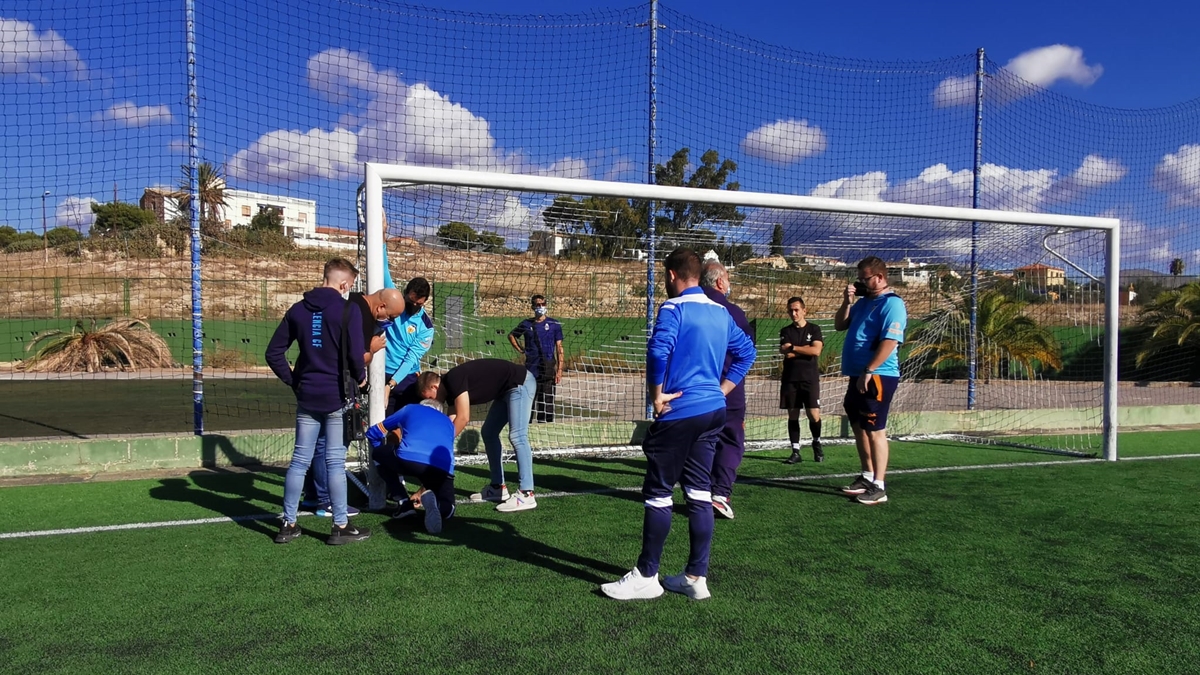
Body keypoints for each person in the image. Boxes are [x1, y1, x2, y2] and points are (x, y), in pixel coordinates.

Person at [601, 248, 756, 601]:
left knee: (658, 493)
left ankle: (646, 575)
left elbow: (658, 351)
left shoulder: (674, 307)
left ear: (671, 275)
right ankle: (695, 577)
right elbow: (748, 353)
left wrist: (656, 395)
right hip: (715, 410)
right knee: (700, 492)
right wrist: (722, 390)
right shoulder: (722, 311)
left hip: (681, 411)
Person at [265, 257, 371, 545]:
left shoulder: (298, 310)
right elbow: (354, 357)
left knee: (299, 460)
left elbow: (273, 353)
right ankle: (340, 526)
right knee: (335, 463)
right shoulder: (348, 309)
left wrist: (293, 381)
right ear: (344, 284)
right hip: (336, 395)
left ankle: (288, 524)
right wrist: (361, 378)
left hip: (307, 396)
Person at [302, 285, 407, 517]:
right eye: (391, 316)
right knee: (331, 445)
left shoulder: (351, 305)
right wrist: (371, 350)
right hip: (338, 389)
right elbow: (354, 358)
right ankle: (325, 499)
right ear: (380, 307)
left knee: (316, 444)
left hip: (316, 385)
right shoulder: (360, 315)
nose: (390, 321)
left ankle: (313, 495)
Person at [834, 256, 907, 506]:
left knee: (875, 429)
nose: (862, 283)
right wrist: (847, 301)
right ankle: (866, 475)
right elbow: (840, 324)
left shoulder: (893, 304)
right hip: (858, 374)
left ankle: (879, 485)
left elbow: (890, 341)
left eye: (866, 279)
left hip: (878, 375)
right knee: (858, 425)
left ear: (879, 277)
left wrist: (870, 369)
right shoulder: (864, 302)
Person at [434, 358, 538, 512]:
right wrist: (438, 444)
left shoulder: (453, 379)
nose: (430, 402)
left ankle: (527, 493)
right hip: (505, 390)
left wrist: (443, 445)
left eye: (428, 397)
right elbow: (451, 424)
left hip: (520, 383)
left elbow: (463, 418)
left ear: (434, 386)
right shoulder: (450, 392)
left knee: (517, 436)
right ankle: (497, 487)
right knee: (489, 433)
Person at [698, 260, 754, 520]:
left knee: (701, 439)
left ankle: (698, 489)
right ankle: (719, 494)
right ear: (720, 281)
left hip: (694, 389)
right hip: (726, 389)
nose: (729, 284)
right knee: (730, 439)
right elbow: (746, 353)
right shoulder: (732, 313)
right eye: (728, 279)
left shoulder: (686, 307)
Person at [365, 393, 457, 535]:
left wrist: (383, 453)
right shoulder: (448, 423)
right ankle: (440, 507)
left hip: (409, 458)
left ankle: (403, 501)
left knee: (378, 455)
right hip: (444, 469)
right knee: (449, 508)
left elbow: (373, 432)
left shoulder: (410, 409)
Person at [379, 233, 435, 414]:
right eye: (411, 302)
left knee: (405, 427)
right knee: (381, 426)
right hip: (380, 370)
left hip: (406, 378)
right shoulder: (394, 299)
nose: (414, 306)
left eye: (419, 304)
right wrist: (382, 237)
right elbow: (383, 268)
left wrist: (391, 385)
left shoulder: (426, 327)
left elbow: (411, 358)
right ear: (405, 293)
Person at [779, 296, 825, 464]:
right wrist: (804, 349)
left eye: (797, 309)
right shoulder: (786, 331)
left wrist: (795, 348)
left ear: (804, 310)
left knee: (814, 414)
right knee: (793, 415)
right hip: (791, 379)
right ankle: (796, 451)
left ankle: (817, 443)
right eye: (791, 310)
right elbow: (786, 353)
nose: (794, 313)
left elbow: (816, 351)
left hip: (810, 379)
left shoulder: (814, 329)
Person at [508, 294, 564, 423]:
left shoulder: (554, 324)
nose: (540, 307)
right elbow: (511, 335)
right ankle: (528, 426)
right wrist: (521, 349)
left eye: (543, 304)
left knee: (547, 402)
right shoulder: (526, 324)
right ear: (533, 307)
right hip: (531, 369)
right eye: (537, 305)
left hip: (548, 368)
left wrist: (560, 370)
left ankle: (547, 425)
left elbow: (560, 347)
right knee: (529, 400)